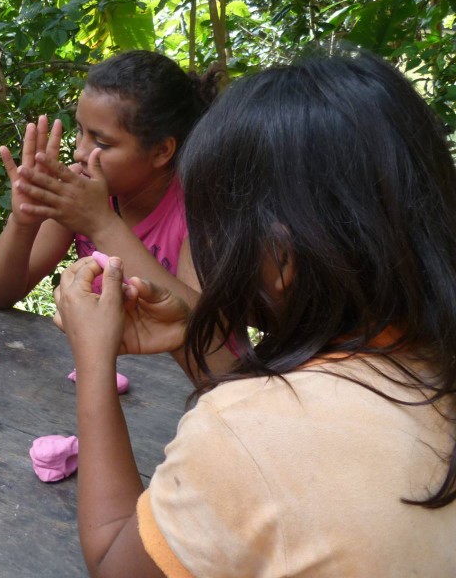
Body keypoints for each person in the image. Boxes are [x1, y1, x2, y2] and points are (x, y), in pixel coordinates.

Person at [55, 48, 456, 577]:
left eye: (214, 228)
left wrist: (94, 360)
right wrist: (185, 337)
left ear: (281, 258)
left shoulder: (244, 434)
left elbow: (114, 563)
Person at [0, 51, 219, 313]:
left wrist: (101, 223)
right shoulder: (80, 191)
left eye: (102, 142)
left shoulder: (198, 212)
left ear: (162, 151)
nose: (79, 153)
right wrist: (23, 221)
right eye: (80, 131)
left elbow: (205, 332)